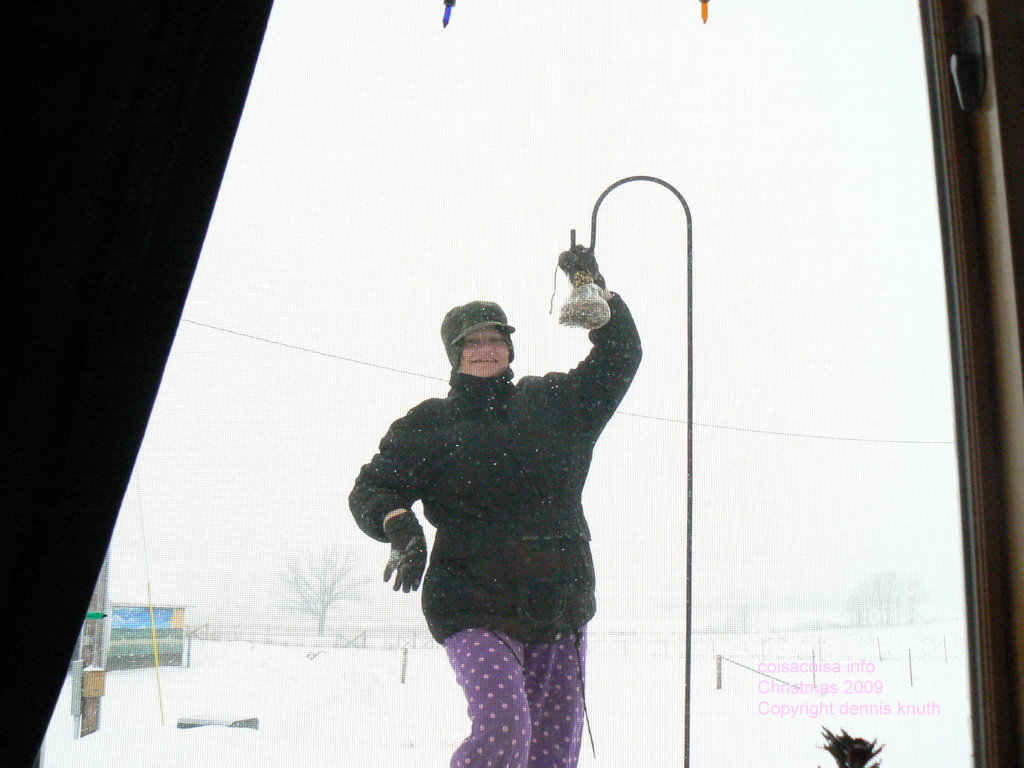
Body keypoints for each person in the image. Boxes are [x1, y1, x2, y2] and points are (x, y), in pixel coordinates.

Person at [349, 246, 641, 768]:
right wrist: (399, 526)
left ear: (509, 347)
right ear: (454, 354)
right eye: (472, 343)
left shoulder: (554, 405)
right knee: (504, 733)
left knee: (551, 756)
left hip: (559, 602)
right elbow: (374, 488)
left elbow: (620, 356)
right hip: (472, 601)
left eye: (495, 339)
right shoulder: (430, 424)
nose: (485, 350)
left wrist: (593, 286)